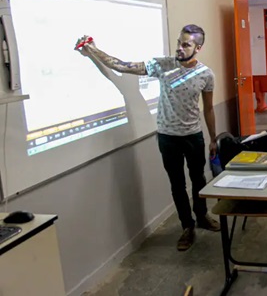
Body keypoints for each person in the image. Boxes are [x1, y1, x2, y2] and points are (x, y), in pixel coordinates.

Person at [75, 24, 221, 251]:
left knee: (199, 179)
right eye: (179, 43)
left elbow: (209, 108)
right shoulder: (162, 65)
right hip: (167, 137)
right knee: (177, 184)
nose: (180, 49)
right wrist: (92, 49)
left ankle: (202, 216)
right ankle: (187, 227)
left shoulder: (205, 74)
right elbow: (121, 66)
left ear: (198, 47)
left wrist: (213, 138)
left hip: (193, 136)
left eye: (186, 44)